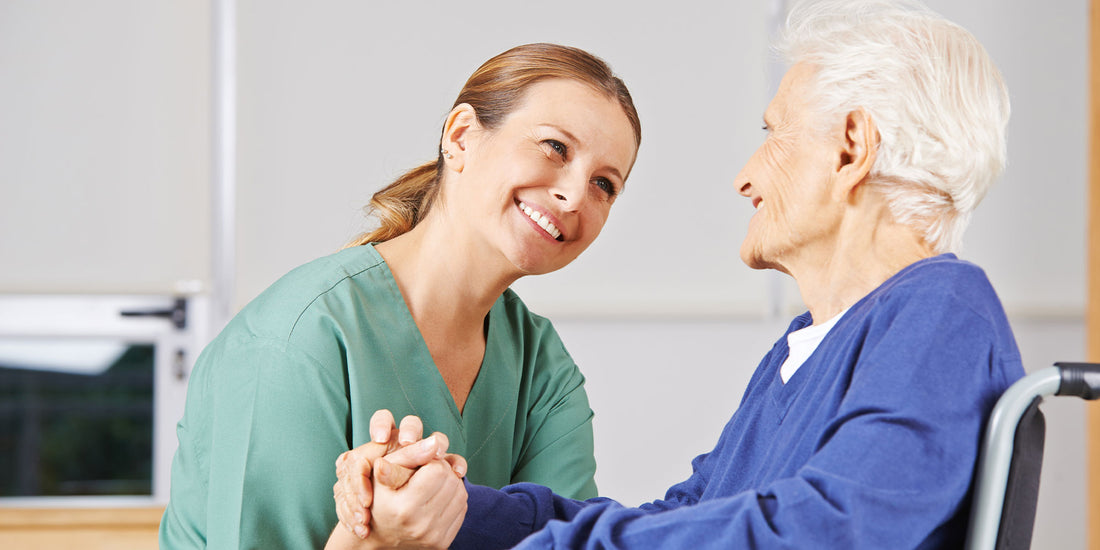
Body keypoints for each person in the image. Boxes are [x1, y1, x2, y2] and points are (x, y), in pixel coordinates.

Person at [329, 1, 1025, 548]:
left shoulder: (943, 311)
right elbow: (693, 515)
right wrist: (455, 511)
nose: (745, 179)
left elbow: (831, 532)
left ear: (851, 149)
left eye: (772, 134)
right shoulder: (806, 346)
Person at [158, 43, 642, 549]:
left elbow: (569, 540)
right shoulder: (294, 340)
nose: (573, 195)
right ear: (460, 138)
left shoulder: (540, 365)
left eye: (604, 184)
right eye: (555, 147)